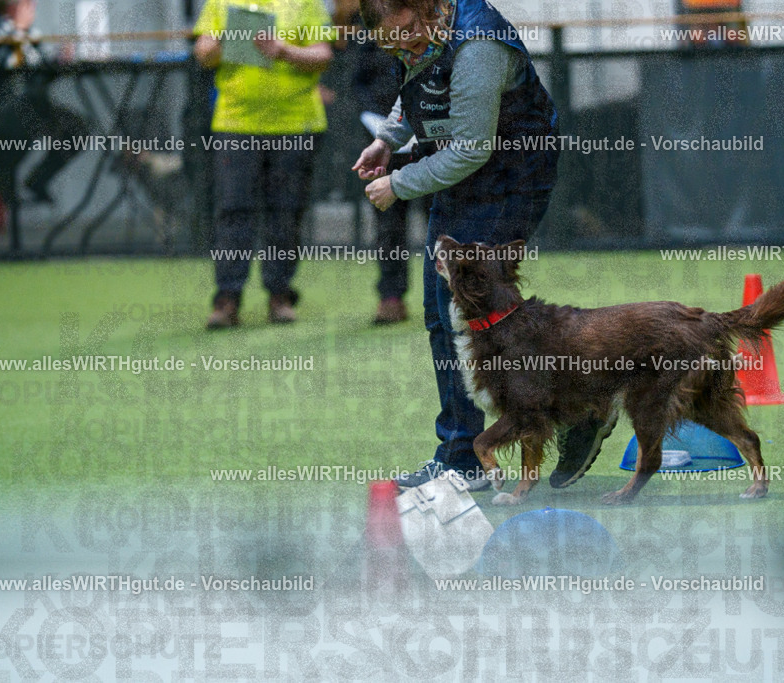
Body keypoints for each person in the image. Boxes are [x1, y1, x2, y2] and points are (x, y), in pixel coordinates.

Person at [353, 0, 615, 491]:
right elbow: (420, 87)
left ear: (428, 6)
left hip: (510, 181)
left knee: (488, 322)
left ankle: (529, 429)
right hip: (457, 179)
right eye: (389, 40)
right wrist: (389, 138)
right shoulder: (418, 32)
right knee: (442, 314)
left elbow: (473, 147)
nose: (404, 42)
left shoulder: (478, 44)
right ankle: (470, 451)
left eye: (409, 29)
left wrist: (400, 183)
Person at [193, 0, 333, 328]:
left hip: (296, 124)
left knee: (286, 212)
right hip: (235, 123)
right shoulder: (221, 3)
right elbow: (203, 54)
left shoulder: (307, 3)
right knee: (233, 210)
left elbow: (323, 56)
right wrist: (229, 39)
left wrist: (284, 51)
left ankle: (280, 295)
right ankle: (227, 299)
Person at [0, 0, 89, 205]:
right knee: (21, 124)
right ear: (13, 7)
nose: (33, 9)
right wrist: (17, 31)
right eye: (28, 5)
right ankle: (6, 184)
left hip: (29, 107)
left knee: (76, 129)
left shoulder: (31, 35)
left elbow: (37, 76)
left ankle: (38, 180)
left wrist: (57, 62)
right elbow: (2, 66)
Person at [350, 10, 411, 324]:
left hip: (430, 137)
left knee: (444, 220)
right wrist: (373, 119)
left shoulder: (434, 17)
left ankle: (454, 296)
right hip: (380, 133)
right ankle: (391, 296)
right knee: (388, 223)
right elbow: (357, 80)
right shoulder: (369, 21)